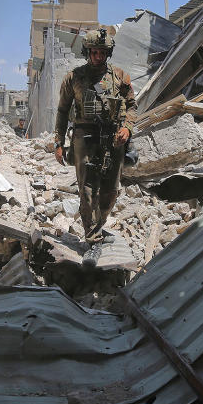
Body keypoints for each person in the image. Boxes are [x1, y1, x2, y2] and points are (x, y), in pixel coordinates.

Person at [54, 28, 136, 267]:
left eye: (102, 52)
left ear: (107, 53)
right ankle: (92, 239)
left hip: (113, 139)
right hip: (84, 137)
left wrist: (127, 128)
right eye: (94, 52)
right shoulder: (74, 77)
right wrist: (58, 142)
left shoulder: (121, 76)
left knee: (110, 190)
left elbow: (132, 106)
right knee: (88, 191)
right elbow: (61, 111)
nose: (98, 56)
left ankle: (99, 226)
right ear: (87, 52)